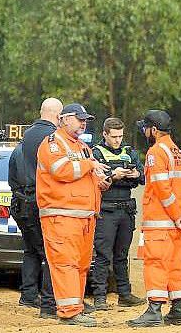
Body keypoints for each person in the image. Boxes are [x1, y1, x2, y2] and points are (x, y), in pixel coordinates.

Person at [36, 103, 111, 326]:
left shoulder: (81, 147)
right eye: (79, 119)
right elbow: (62, 171)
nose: (83, 123)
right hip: (61, 216)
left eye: (85, 119)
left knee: (81, 264)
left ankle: (75, 307)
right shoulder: (52, 143)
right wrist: (89, 165)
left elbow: (87, 177)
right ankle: (68, 311)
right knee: (66, 263)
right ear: (64, 119)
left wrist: (102, 182)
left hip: (84, 216)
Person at [127, 110, 181, 327]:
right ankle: (178, 309)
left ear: (154, 129)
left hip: (161, 222)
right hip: (176, 223)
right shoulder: (176, 151)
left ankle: (154, 310)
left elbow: (162, 188)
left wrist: (176, 215)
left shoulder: (156, 152)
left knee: (155, 264)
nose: (144, 132)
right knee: (174, 265)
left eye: (145, 128)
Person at [90, 117, 145, 310]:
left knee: (122, 255)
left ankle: (124, 294)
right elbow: (97, 180)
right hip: (106, 210)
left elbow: (142, 175)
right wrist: (114, 176)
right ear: (104, 134)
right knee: (103, 255)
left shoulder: (129, 152)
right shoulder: (96, 153)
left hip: (126, 209)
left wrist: (135, 175)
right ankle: (99, 297)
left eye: (120, 136)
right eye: (114, 137)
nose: (117, 140)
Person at [14, 97, 62, 317]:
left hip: (21, 201)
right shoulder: (53, 139)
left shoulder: (24, 140)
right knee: (48, 253)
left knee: (31, 250)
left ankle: (28, 295)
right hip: (40, 201)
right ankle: (49, 300)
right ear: (58, 116)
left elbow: (12, 174)